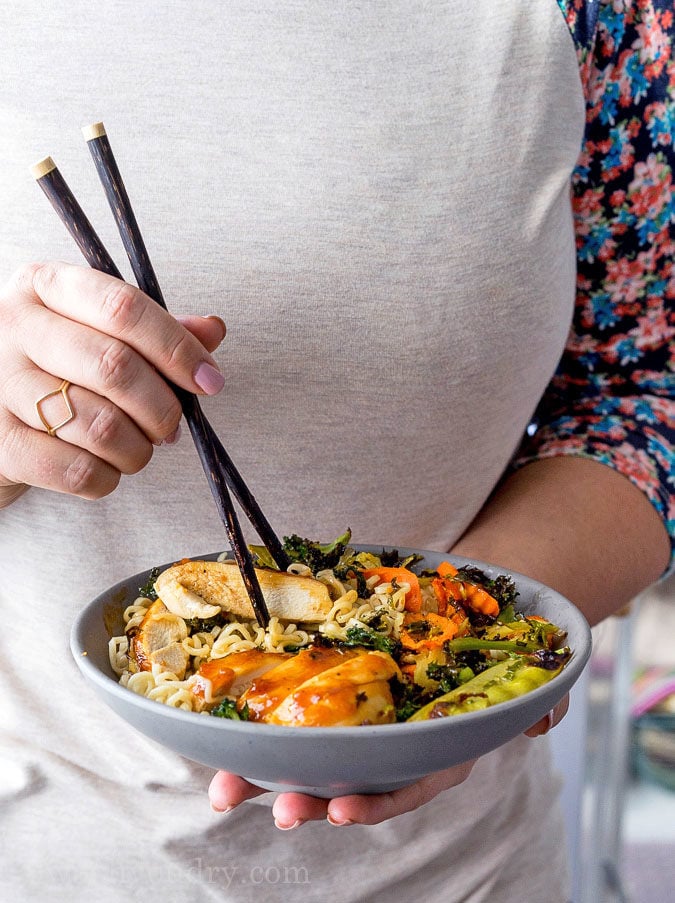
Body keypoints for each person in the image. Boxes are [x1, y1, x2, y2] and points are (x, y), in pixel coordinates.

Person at [0, 1, 672, 901]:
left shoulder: (607, 15)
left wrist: (448, 680)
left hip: (466, 868)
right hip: (41, 848)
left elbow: (644, 388)